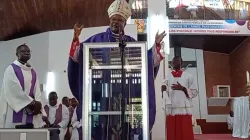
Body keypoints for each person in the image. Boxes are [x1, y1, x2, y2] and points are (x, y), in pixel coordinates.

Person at [67, 0, 166, 138]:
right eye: (113, 19)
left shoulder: (131, 43)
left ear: (125, 23)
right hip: (103, 97)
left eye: (119, 20)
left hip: (127, 97)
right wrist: (76, 41)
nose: (115, 22)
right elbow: (78, 56)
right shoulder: (95, 41)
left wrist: (155, 46)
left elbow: (147, 61)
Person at [0, 44, 45, 128]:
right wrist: (31, 102)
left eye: (28, 51)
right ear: (17, 54)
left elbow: (37, 90)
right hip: (14, 108)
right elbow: (13, 90)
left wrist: (38, 103)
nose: (27, 53)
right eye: (23, 51)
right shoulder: (11, 69)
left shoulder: (33, 71)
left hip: (31, 110)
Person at [161, 56, 198, 140]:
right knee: (172, 132)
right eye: (173, 61)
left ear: (181, 63)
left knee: (185, 132)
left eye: (177, 61)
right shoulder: (167, 77)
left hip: (184, 109)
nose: (175, 62)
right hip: (172, 109)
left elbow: (195, 92)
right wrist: (163, 89)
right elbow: (164, 90)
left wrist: (183, 89)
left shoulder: (188, 76)